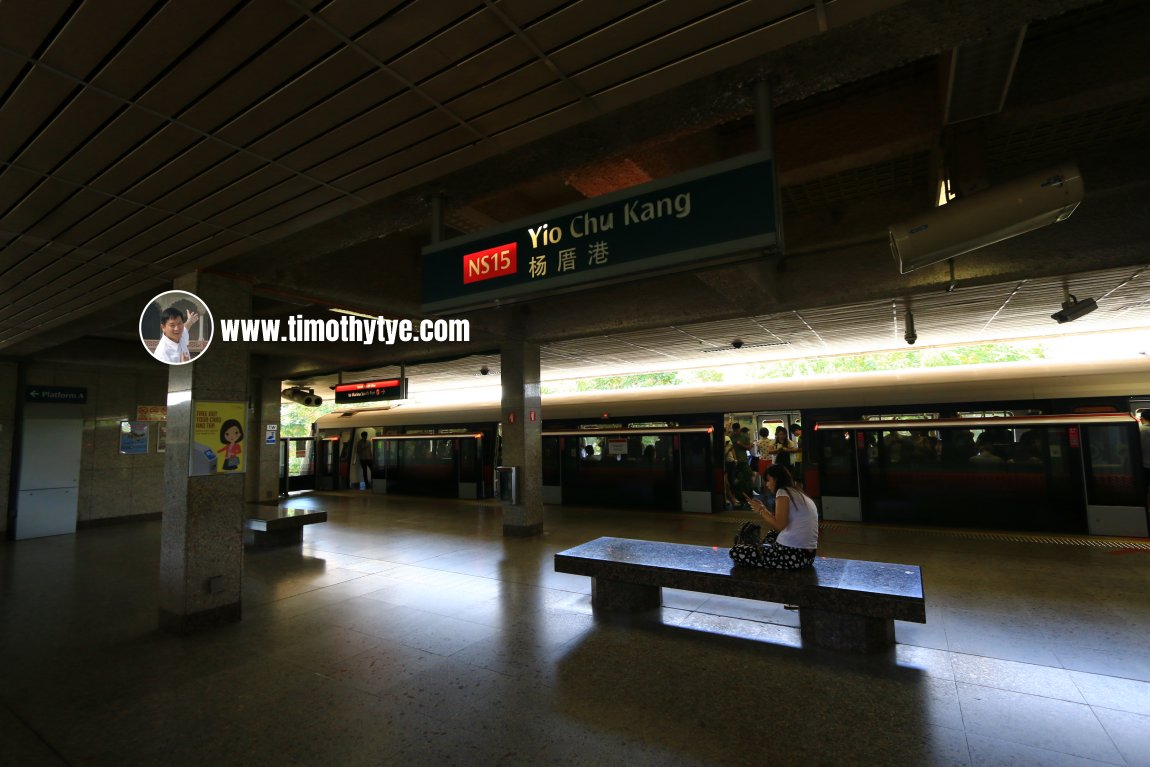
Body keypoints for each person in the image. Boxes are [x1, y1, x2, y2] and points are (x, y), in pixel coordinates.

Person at [729, 464, 819, 569]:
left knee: (735, 552)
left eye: (768, 480)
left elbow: (780, 525)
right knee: (772, 534)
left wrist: (760, 510)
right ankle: (760, 549)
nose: (767, 484)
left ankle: (756, 549)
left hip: (792, 555)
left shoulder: (782, 492)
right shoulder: (796, 492)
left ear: (776, 479)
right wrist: (763, 509)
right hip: (808, 556)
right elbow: (780, 521)